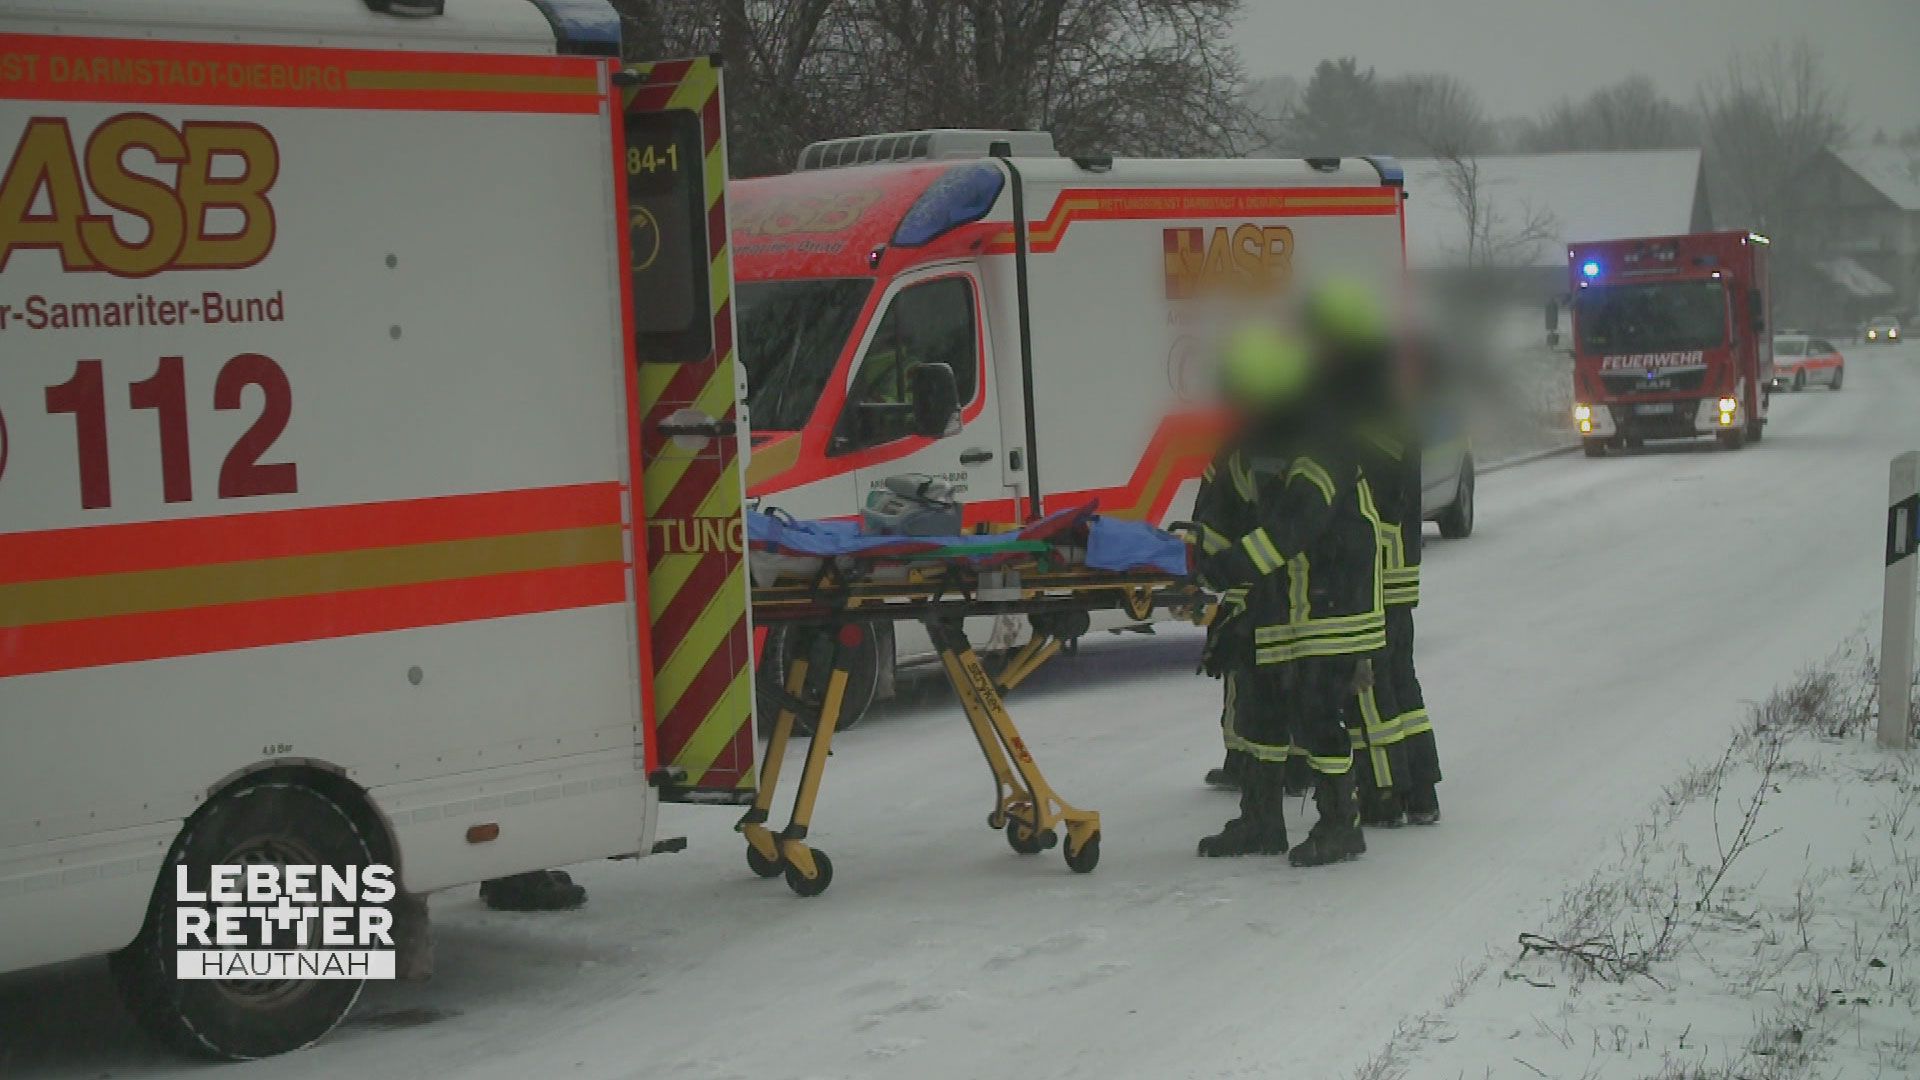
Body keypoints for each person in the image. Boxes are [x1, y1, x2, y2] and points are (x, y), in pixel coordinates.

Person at [1195, 321, 1385, 866]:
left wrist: (1228, 568)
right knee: (1259, 706)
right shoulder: (1247, 444)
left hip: (1334, 597)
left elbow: (1296, 524)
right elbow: (1218, 509)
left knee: (1316, 708)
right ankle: (1261, 820)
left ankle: (1340, 824)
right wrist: (1198, 560)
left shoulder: (1321, 439)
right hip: (1280, 596)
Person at [1303, 280, 1443, 827]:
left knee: (1370, 683)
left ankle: (1386, 792)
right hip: (1396, 560)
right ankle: (1421, 788)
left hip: (1373, 567)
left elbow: (1363, 484)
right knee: (1399, 680)